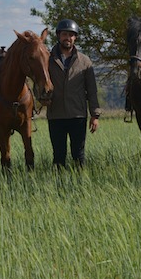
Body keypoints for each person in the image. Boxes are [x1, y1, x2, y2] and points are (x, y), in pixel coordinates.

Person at [47, 19, 102, 169]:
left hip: (78, 115)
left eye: (71, 35)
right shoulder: (48, 60)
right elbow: (40, 84)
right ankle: (60, 188)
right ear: (58, 36)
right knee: (58, 156)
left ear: (75, 38)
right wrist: (42, 98)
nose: (68, 38)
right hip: (56, 115)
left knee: (78, 156)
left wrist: (95, 115)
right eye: (64, 34)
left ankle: (79, 187)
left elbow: (92, 90)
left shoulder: (85, 61)